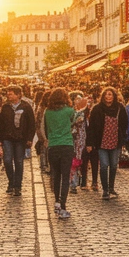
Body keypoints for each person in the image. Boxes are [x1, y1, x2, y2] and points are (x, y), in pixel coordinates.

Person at [85, 87, 128, 200]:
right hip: (102, 141)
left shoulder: (120, 108)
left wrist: (123, 137)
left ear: (114, 96)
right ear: (103, 96)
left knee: (113, 165)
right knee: (104, 165)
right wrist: (89, 143)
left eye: (110, 95)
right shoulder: (97, 109)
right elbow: (91, 127)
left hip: (115, 141)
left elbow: (125, 123)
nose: (108, 97)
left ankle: (111, 187)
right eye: (106, 95)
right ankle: (105, 189)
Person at [0, 86, 36, 196]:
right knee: (8, 160)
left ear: (18, 95)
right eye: (8, 94)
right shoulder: (5, 107)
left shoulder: (26, 106)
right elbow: (0, 123)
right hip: (7, 138)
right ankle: (11, 181)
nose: (8, 96)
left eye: (11, 94)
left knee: (19, 161)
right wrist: (0, 139)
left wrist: (29, 138)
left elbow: (31, 124)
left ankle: (17, 185)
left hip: (20, 139)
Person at [44, 88, 76, 219]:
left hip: (53, 146)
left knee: (55, 175)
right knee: (65, 176)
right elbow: (73, 122)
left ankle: (57, 201)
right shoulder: (69, 111)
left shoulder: (48, 112)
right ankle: (63, 206)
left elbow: (46, 130)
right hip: (66, 145)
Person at [70, 93, 88, 190]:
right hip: (73, 139)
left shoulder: (85, 112)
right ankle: (73, 183)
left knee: (81, 161)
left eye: (80, 99)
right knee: (74, 162)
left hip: (82, 139)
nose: (79, 101)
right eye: (77, 99)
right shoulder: (70, 112)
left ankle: (82, 181)